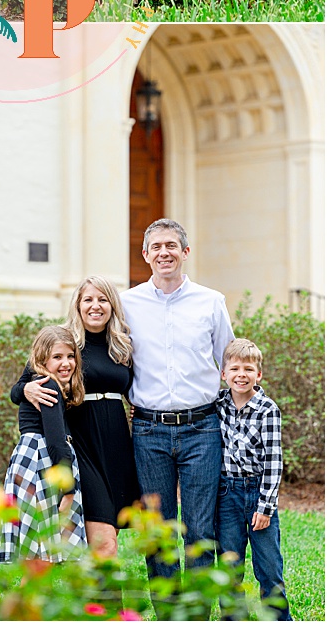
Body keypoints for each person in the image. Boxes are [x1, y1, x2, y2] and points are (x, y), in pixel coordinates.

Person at [122, 217, 234, 585]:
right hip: (148, 431)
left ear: (185, 252)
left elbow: (230, 364)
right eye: (156, 246)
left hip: (202, 428)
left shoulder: (211, 302)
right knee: (159, 531)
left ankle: (197, 612)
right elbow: (97, 354)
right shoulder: (127, 305)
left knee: (200, 529)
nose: (164, 252)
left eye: (171, 245)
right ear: (145, 255)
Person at [15, 276, 141, 555]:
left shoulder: (122, 344)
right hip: (82, 443)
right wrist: (26, 391)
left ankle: (97, 598)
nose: (96, 306)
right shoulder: (64, 341)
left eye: (103, 299)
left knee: (110, 538)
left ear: (112, 305)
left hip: (117, 445)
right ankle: (107, 600)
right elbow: (20, 386)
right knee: (103, 539)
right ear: (78, 305)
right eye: (88, 299)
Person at [0, 325, 88, 564]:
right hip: (42, 463)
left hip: (29, 460)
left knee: (35, 550)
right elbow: (56, 442)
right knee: (39, 551)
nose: (66, 363)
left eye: (70, 356)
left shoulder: (43, 383)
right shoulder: (47, 386)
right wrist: (69, 489)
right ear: (42, 360)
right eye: (57, 357)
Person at [216, 337, 290, 618]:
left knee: (269, 568)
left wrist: (265, 507)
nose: (241, 375)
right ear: (224, 374)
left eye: (248, 369)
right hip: (226, 495)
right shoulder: (218, 403)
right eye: (234, 369)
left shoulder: (267, 410)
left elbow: (274, 461)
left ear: (258, 374)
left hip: (257, 493)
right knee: (229, 568)